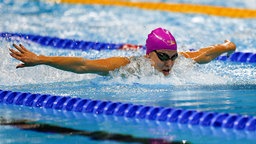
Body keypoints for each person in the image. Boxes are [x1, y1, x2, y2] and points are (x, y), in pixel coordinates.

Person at [9, 27, 236, 76]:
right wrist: (41, 59)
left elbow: (209, 52)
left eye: (173, 57)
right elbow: (83, 65)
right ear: (149, 55)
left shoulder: (182, 60)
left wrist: (228, 47)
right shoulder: (128, 66)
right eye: (163, 57)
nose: (170, 63)